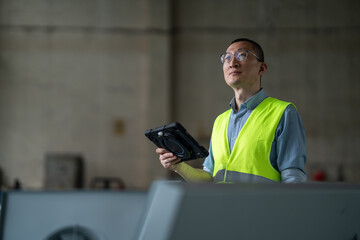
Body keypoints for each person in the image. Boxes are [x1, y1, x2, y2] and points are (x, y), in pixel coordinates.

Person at [156, 38, 307, 183]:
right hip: (223, 209)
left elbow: (293, 178)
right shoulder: (220, 121)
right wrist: (178, 166)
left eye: (241, 55)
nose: (232, 63)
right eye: (227, 58)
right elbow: (209, 178)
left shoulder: (283, 113)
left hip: (263, 209)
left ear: (261, 68)